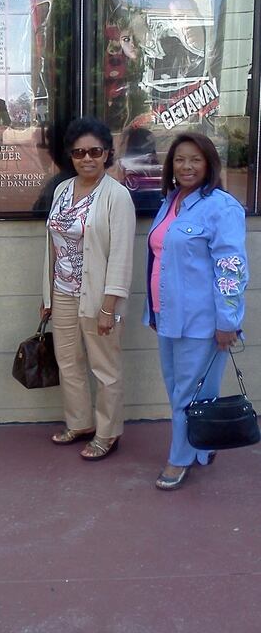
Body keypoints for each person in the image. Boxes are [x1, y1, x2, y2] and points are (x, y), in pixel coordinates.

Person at [143, 131, 247, 491]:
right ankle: (202, 447)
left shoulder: (221, 207)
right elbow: (162, 259)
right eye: (179, 159)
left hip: (203, 323)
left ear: (209, 164)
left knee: (186, 395)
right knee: (184, 392)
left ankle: (180, 458)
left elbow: (231, 268)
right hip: (168, 317)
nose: (186, 166)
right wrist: (155, 312)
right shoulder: (172, 201)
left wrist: (227, 322)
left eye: (195, 159)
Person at [42, 117, 135, 460]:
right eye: (79, 152)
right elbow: (52, 244)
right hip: (63, 293)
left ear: (107, 153)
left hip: (98, 299)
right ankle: (80, 423)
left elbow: (122, 257)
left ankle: (108, 433)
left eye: (95, 151)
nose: (87, 158)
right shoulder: (62, 190)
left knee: (105, 369)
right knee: (68, 362)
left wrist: (109, 307)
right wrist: (47, 294)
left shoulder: (117, 196)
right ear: (71, 156)